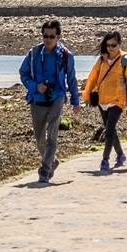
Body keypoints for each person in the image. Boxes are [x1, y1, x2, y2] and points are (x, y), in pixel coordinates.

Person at [18, 19, 79, 184]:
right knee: (40, 138)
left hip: (57, 97)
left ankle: (44, 171)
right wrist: (35, 86)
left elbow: (71, 79)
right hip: (37, 98)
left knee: (52, 135)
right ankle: (52, 161)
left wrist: (75, 100)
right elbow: (23, 73)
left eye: (52, 36)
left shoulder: (66, 55)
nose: (48, 39)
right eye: (45, 36)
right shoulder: (34, 53)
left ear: (58, 36)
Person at [79, 30, 127, 172]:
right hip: (102, 100)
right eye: (108, 45)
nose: (110, 48)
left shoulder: (125, 61)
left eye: (114, 45)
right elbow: (92, 77)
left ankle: (105, 160)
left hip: (117, 100)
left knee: (109, 130)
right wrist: (86, 95)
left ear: (119, 44)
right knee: (111, 130)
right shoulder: (101, 60)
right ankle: (121, 154)